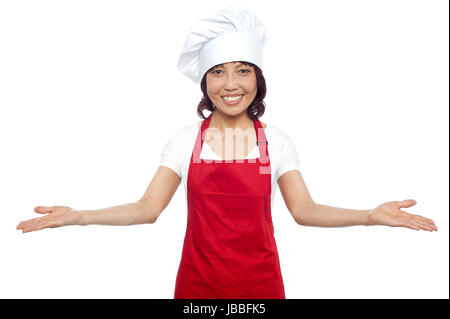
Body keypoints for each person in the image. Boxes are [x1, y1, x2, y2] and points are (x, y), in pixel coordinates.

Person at [16, 6, 437, 299]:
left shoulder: (278, 142)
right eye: (217, 72)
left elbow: (304, 211)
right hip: (199, 288)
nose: (230, 84)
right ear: (204, 82)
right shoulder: (184, 141)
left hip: (260, 288)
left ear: (258, 78)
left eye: (242, 70)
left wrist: (369, 216)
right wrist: (79, 217)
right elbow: (147, 208)